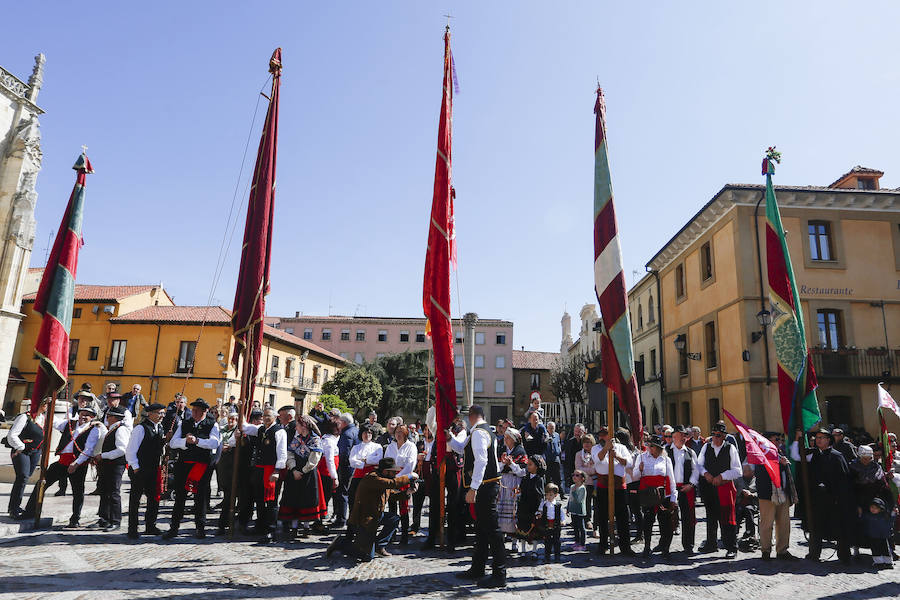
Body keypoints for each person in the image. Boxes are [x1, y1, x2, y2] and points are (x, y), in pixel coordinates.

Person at [23, 406, 102, 527]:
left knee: (78, 492)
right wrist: (46, 407)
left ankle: (75, 519)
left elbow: (89, 450)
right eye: (82, 414)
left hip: (78, 464)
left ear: (92, 417)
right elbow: (54, 421)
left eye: (87, 415)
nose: (84, 417)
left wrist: (76, 464)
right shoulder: (69, 424)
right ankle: (30, 511)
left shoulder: (94, 429)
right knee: (42, 483)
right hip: (62, 462)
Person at [326, 457, 417, 561]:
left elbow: (392, 495)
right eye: (393, 472)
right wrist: (409, 477)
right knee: (367, 557)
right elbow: (392, 484)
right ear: (385, 471)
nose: (395, 474)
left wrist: (408, 492)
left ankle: (379, 545)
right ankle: (340, 544)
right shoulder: (372, 478)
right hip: (364, 520)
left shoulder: (382, 479)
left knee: (394, 518)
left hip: (375, 516)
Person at [456, 404, 506, 589]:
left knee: (492, 530)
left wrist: (474, 488)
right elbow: (462, 448)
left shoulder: (478, 433)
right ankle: (478, 568)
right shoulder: (483, 431)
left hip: (485, 486)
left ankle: (499, 574)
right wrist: (450, 439)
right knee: (482, 530)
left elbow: (481, 460)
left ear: (471, 417)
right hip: (487, 485)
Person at [164, 399, 221, 539]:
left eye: (197, 410)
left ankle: (200, 528)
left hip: (201, 465)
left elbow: (214, 443)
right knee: (180, 497)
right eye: (193, 409)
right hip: (184, 464)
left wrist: (198, 441)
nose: (194, 412)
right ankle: (174, 527)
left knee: (200, 498)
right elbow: (173, 442)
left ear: (204, 411)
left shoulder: (212, 424)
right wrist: (185, 442)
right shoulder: (184, 423)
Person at [805, 427, 853, 564]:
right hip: (818, 500)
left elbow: (844, 479)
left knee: (839, 528)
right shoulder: (814, 455)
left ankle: (844, 556)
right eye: (817, 438)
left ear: (829, 440)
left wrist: (836, 494)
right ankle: (814, 553)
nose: (818, 440)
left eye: (822, 438)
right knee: (816, 527)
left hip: (834, 500)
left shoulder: (837, 456)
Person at [241, 406, 287, 542]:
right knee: (259, 499)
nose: (266, 418)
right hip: (259, 469)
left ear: (275, 417)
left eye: (268, 416)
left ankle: (271, 530)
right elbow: (245, 427)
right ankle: (260, 525)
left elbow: (282, 452)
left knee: (271, 500)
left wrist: (277, 470)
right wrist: (241, 407)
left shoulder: (279, 431)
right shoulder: (261, 429)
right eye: (264, 416)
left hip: (271, 469)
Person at [697, 421, 742, 558]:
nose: (716, 438)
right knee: (711, 517)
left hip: (725, 487)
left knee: (727, 518)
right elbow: (698, 464)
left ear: (724, 436)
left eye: (719, 435)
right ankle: (711, 544)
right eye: (714, 435)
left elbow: (738, 470)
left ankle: (731, 547)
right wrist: (705, 473)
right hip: (709, 487)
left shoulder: (730, 449)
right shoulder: (706, 447)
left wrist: (722, 476)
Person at [279, 415, 326, 539]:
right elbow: (290, 453)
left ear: (304, 426)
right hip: (294, 473)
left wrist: (303, 471)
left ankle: (305, 527)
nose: (296, 427)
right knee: (293, 498)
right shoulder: (297, 439)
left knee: (306, 499)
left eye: (298, 425)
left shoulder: (315, 440)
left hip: (308, 474)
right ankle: (294, 527)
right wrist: (294, 469)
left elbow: (314, 458)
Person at [632, 434, 677, 559]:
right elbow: (634, 477)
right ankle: (647, 546)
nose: (650, 448)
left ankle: (665, 548)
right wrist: (639, 470)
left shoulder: (666, 460)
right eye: (649, 445)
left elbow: (671, 479)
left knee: (665, 523)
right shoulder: (641, 457)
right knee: (648, 521)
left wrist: (673, 497)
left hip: (663, 494)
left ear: (659, 448)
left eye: (653, 446)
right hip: (648, 494)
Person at [125, 402, 166, 538]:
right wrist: (135, 467)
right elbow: (131, 450)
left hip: (154, 469)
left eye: (163, 413)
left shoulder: (160, 428)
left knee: (154, 498)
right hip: (140, 469)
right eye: (159, 413)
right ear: (150, 414)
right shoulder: (141, 428)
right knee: (135, 499)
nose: (161, 416)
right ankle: (132, 528)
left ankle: (150, 525)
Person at [591, 426, 634, 556]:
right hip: (603, 486)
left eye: (605, 434)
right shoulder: (596, 448)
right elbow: (597, 459)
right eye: (600, 435)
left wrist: (616, 455)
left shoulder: (622, 448)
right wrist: (606, 448)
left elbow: (629, 463)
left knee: (623, 517)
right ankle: (603, 544)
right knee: (602, 516)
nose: (601, 437)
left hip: (619, 486)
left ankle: (625, 546)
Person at [755, 434, 797, 560]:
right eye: (775, 440)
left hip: (782, 492)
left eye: (779, 439)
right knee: (766, 523)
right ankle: (765, 550)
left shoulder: (780, 452)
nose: (778, 442)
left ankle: (782, 550)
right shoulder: (760, 454)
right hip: (767, 494)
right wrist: (779, 463)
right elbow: (760, 472)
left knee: (784, 523)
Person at [5, 398, 47, 518]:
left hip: (35, 452)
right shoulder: (25, 417)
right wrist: (21, 446)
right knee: (22, 476)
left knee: (25, 477)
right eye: (45, 404)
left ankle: (15, 505)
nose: (46, 407)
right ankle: (14, 508)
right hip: (21, 451)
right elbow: (12, 435)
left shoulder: (43, 418)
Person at [95, 405, 129, 532]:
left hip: (116, 465)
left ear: (114, 417)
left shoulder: (120, 430)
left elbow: (122, 450)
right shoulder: (113, 428)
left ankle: (115, 520)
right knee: (105, 491)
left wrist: (103, 456)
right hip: (108, 464)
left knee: (114, 492)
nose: (107, 418)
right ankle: (104, 518)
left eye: (108, 416)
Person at [384, 424, 417, 545]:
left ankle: (404, 536)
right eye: (397, 432)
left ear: (406, 434)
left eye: (401, 432)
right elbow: (386, 462)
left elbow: (410, 465)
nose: (398, 434)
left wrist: (397, 477)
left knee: (404, 508)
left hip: (403, 479)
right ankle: (391, 534)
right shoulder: (391, 447)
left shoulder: (411, 446)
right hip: (391, 479)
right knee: (392, 508)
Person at [668, 425, 699, 554]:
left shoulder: (690, 452)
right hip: (671, 487)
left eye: (684, 436)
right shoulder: (666, 451)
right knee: (668, 516)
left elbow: (696, 470)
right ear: (674, 437)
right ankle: (665, 544)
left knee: (688, 517)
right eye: (679, 436)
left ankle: (688, 544)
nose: (682, 438)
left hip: (686, 488)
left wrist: (691, 484)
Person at [498, 428, 527, 551]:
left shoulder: (521, 452)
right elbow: (496, 468)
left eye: (508, 437)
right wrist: (504, 464)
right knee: (501, 510)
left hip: (514, 483)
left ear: (514, 440)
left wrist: (512, 465)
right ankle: (501, 541)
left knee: (513, 512)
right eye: (505, 437)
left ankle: (515, 542)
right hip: (503, 482)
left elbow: (523, 471)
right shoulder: (501, 450)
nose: (505, 439)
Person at [348, 424, 384, 512]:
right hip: (358, 476)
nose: (367, 435)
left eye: (370, 433)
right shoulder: (356, 447)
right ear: (361, 434)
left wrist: (364, 460)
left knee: (370, 499)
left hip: (372, 476)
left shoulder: (377, 447)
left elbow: (378, 459)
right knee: (353, 498)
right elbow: (352, 461)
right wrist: (366, 463)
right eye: (365, 432)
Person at [332, 412, 358, 529]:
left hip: (346, 467)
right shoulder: (355, 430)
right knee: (351, 493)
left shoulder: (346, 433)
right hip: (354, 467)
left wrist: (339, 467)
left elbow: (344, 453)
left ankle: (341, 519)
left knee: (343, 493)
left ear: (343, 422)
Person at [215, 409, 239, 523]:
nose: (231, 421)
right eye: (230, 418)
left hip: (232, 460)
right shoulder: (222, 429)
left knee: (230, 490)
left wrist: (229, 446)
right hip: (222, 460)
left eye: (234, 419)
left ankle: (226, 517)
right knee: (224, 485)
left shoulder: (237, 431)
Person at [536, 482, 566, 562]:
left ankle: (557, 556)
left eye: (550, 495)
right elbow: (539, 511)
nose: (548, 497)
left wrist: (563, 521)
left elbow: (562, 514)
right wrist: (539, 514)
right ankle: (547, 557)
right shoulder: (544, 504)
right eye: (547, 494)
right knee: (547, 542)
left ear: (555, 495)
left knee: (557, 542)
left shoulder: (558, 505)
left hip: (556, 525)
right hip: (546, 525)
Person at [861, 497, 895, 569]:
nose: (873, 509)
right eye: (872, 507)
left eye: (875, 508)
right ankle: (879, 562)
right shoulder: (868, 515)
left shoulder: (884, 516)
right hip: (873, 536)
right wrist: (860, 513)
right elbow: (862, 519)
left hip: (883, 536)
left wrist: (893, 514)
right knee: (875, 549)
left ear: (880, 509)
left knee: (885, 549)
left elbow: (891, 521)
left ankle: (888, 562)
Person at [317, 419, 340, 521]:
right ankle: (320, 520)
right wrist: (334, 477)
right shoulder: (329, 442)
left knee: (324, 497)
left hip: (326, 472)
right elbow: (330, 460)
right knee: (324, 498)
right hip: (326, 473)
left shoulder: (327, 439)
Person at [575, 434, 596, 533]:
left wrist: (589, 469)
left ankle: (597, 521)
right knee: (586, 502)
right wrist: (592, 470)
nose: (587, 444)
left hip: (596, 482)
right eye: (585, 442)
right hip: (585, 482)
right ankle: (587, 520)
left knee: (596, 503)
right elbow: (579, 469)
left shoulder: (596, 453)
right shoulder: (579, 454)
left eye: (589, 442)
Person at [568, 470, 588, 550]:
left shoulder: (582, 488)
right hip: (573, 510)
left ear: (582, 478)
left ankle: (583, 544)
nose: (574, 477)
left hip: (579, 511)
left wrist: (574, 492)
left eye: (577, 475)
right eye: (573, 475)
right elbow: (570, 499)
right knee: (575, 527)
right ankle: (577, 541)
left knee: (581, 527)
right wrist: (568, 507)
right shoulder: (572, 487)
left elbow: (579, 500)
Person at [563, 423, 585, 490]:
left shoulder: (586, 441)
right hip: (572, 469)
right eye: (575, 431)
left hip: (584, 468)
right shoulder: (570, 442)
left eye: (579, 431)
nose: (577, 433)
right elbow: (567, 457)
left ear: (583, 432)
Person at [544, 421, 562, 490]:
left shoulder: (557, 435)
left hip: (555, 458)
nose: (552, 429)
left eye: (553, 428)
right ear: (547, 428)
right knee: (547, 477)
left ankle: (561, 492)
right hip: (547, 459)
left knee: (557, 477)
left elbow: (558, 444)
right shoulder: (545, 435)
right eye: (550, 428)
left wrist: (559, 450)